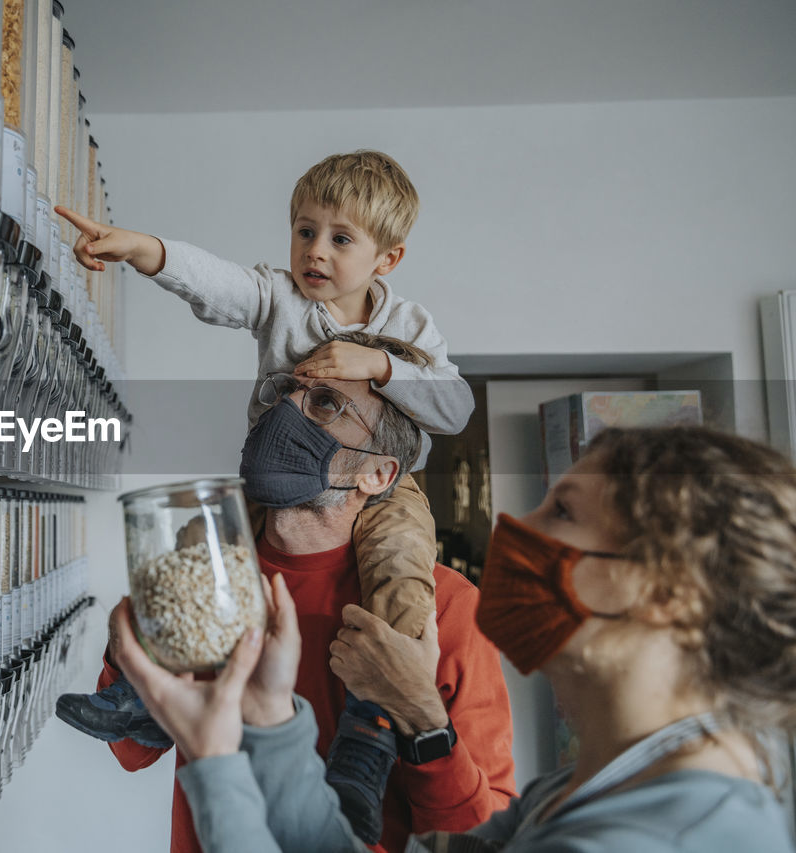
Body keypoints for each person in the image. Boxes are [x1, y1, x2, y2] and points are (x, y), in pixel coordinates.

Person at [116, 425, 796, 853]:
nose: (510, 524)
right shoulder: (575, 791)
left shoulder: (660, 837)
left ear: (670, 594)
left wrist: (215, 759)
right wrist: (267, 718)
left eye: (562, 511)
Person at [54, 151, 475, 839]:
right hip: (269, 479)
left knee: (401, 575)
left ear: (387, 258)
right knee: (196, 558)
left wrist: (380, 364)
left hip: (389, 496)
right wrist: (140, 249)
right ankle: (138, 695)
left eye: (341, 239)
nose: (315, 251)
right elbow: (214, 283)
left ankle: (367, 744)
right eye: (304, 230)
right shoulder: (281, 297)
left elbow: (454, 405)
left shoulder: (409, 327)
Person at [83, 354, 516, 853]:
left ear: (377, 473)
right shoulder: (208, 575)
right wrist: (126, 652)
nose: (286, 409)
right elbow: (132, 750)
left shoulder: (448, 609)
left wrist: (422, 718)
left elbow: (481, 835)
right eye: (285, 391)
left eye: (326, 404)